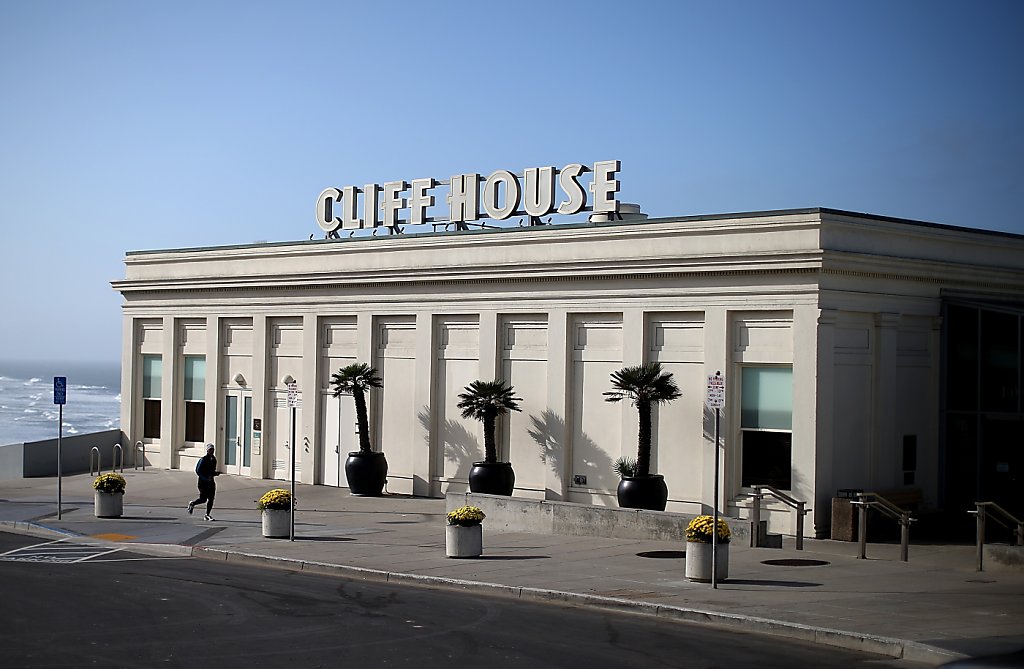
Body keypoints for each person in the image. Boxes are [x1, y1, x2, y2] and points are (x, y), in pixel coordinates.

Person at [188, 444, 220, 521]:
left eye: (213, 449)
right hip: (203, 483)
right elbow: (198, 471)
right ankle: (192, 503)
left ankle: (207, 514)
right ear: (207, 450)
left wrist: (215, 474)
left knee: (211, 499)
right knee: (203, 499)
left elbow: (211, 471)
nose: (212, 451)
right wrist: (205, 478)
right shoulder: (203, 459)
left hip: (211, 482)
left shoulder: (214, 460)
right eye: (210, 450)